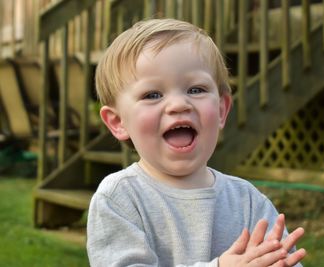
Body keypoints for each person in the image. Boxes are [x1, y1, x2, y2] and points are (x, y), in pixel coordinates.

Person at [87, 18, 306, 267]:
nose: (180, 104)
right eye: (152, 95)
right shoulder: (120, 198)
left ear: (222, 109)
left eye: (196, 90)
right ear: (118, 122)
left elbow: (276, 257)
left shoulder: (248, 201)